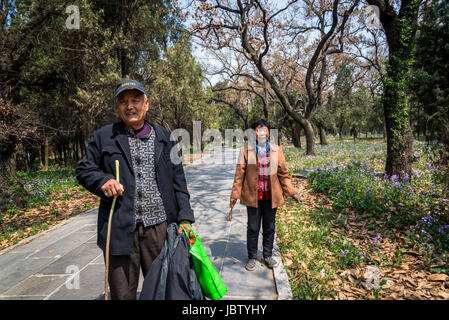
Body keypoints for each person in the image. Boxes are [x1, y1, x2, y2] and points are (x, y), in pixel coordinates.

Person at [76, 79, 194, 299]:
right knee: (122, 294)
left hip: (159, 228)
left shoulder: (166, 138)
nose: (129, 106)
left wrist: (185, 218)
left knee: (162, 290)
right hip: (120, 229)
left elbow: (179, 182)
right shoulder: (104, 137)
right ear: (118, 107)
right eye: (123, 101)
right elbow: (84, 170)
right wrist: (103, 181)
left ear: (146, 104)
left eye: (135, 100)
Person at [230, 119, 302, 271]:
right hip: (253, 196)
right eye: (258, 130)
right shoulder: (247, 150)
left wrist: (292, 192)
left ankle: (267, 255)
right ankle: (251, 257)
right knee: (253, 227)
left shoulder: (276, 150)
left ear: (269, 133)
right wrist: (235, 194)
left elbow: (283, 174)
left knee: (269, 227)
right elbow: (239, 174)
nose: (261, 133)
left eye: (264, 130)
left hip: (271, 196)